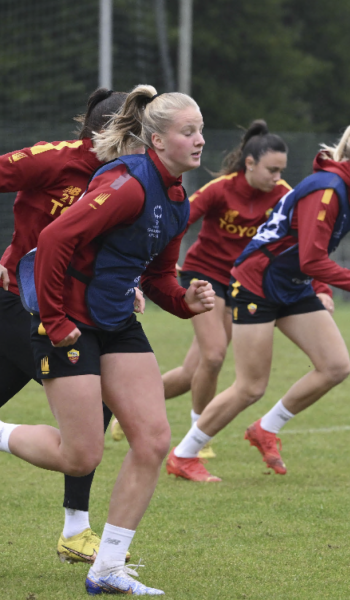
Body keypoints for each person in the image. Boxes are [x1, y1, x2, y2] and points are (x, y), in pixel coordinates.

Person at [0, 84, 215, 595]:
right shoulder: (128, 185)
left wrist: (186, 301)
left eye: (202, 129)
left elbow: (160, 274)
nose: (200, 140)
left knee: (154, 438)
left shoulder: (178, 200)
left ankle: (108, 566)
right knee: (81, 455)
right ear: (157, 140)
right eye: (189, 131)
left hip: (116, 321)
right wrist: (54, 320)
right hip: (67, 319)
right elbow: (53, 240)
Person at [166, 124, 350, 482]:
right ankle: (184, 455)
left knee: (335, 366)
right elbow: (311, 258)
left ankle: (266, 428)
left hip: (291, 284)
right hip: (258, 284)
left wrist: (322, 289)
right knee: (249, 386)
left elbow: (307, 255)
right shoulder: (329, 189)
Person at [0, 88, 137, 564]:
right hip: (24, 306)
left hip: (72, 309)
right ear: (106, 133)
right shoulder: (53, 160)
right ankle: (76, 529)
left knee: (94, 402)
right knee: (94, 396)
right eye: (134, 134)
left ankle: (75, 530)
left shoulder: (127, 176)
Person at [111, 121, 293, 458]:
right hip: (203, 275)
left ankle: (127, 408)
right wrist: (164, 262)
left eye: (281, 170)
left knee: (192, 373)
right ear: (250, 164)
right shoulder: (220, 189)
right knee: (214, 355)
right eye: (271, 169)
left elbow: (303, 240)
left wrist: (321, 288)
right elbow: (178, 218)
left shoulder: (283, 195)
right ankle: (200, 435)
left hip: (241, 284)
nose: (277, 177)